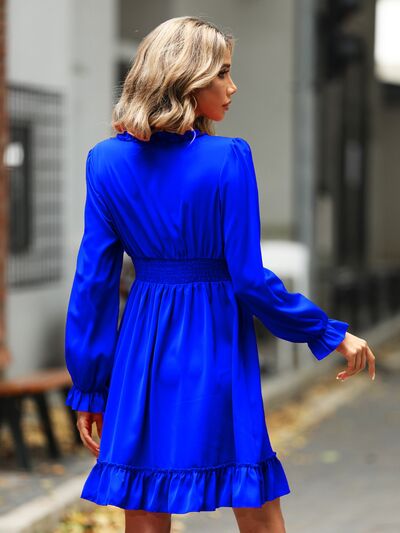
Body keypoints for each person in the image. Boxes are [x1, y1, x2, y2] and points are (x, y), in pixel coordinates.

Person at [64, 15, 376, 533]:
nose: (233, 87)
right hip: (215, 344)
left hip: (142, 349)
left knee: (144, 499)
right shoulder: (229, 158)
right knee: (253, 498)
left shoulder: (105, 162)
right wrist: (326, 331)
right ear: (185, 78)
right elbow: (250, 280)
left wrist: (91, 388)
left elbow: (92, 284)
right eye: (222, 73)